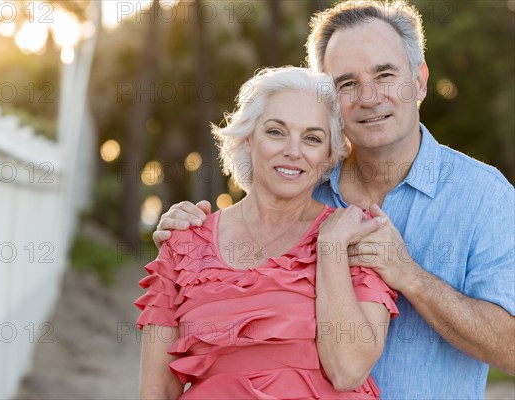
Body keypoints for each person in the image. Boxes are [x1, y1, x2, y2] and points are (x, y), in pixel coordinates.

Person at [153, 1, 515, 399]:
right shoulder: (302, 185)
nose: (369, 97)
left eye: (385, 74)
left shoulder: (485, 197)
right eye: (346, 83)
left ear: (420, 80)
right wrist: (188, 244)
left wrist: (409, 275)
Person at [136, 67, 399, 399]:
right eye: (276, 132)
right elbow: (157, 390)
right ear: (249, 137)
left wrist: (330, 248)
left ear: (330, 154)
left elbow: (348, 371)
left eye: (312, 138)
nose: (293, 150)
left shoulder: (354, 237)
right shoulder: (184, 242)